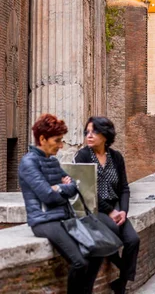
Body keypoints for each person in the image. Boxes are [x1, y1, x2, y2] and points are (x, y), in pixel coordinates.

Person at [19, 114, 102, 294]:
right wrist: (61, 187)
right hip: (44, 221)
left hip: (64, 217)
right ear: (42, 139)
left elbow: (73, 185)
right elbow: (47, 196)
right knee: (79, 262)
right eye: (57, 140)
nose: (61, 145)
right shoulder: (28, 163)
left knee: (96, 251)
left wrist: (61, 187)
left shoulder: (53, 161)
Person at [74, 117, 140, 294]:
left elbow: (124, 188)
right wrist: (110, 211)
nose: (89, 136)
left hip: (115, 207)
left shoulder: (116, 157)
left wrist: (123, 211)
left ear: (105, 135)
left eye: (94, 132)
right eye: (87, 132)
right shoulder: (83, 156)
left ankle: (122, 284)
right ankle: (120, 265)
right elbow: (86, 190)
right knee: (113, 229)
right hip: (93, 208)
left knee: (133, 240)